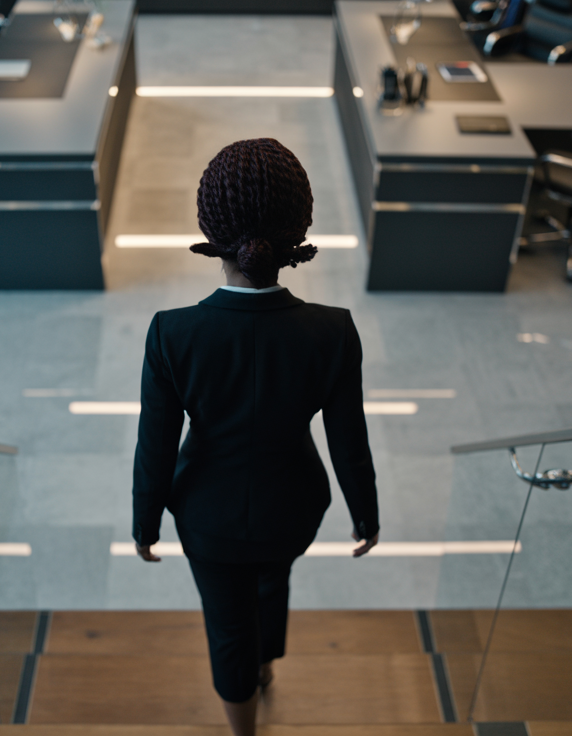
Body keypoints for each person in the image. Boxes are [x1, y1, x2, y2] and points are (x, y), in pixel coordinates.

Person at [131, 138, 380, 736]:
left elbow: (155, 445)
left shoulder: (172, 334)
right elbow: (349, 439)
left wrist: (146, 524)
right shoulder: (333, 331)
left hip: (207, 516)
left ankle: (245, 724)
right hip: (293, 509)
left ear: (210, 229)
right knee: (273, 580)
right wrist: (365, 516)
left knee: (227, 625)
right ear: (299, 231)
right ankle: (267, 665)